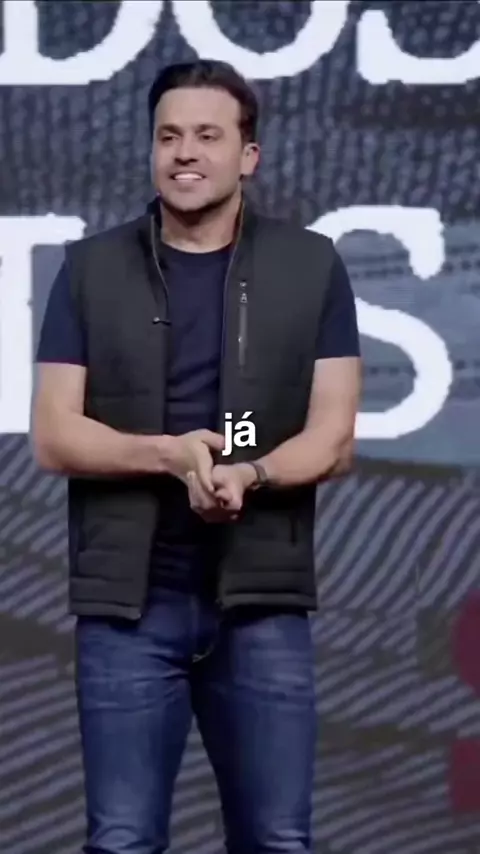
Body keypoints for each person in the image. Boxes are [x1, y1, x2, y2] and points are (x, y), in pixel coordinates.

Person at [31, 59, 362, 854]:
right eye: (168, 136)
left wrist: (250, 472)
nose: (185, 152)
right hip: (130, 607)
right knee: (121, 840)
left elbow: (334, 436)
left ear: (248, 155)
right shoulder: (89, 269)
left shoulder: (311, 265)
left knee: (277, 839)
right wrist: (167, 456)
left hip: (261, 603)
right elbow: (53, 433)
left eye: (208, 136)